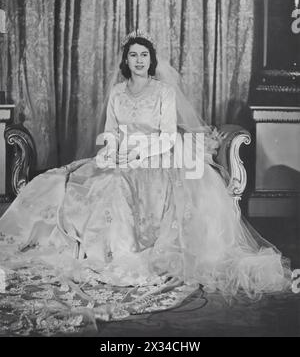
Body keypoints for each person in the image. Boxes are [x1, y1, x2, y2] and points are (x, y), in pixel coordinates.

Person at [0, 31, 291, 318]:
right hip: (123, 155)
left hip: (156, 157)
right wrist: (111, 151)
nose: (138, 60)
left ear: (151, 59)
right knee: (70, 180)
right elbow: (112, 132)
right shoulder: (117, 92)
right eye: (133, 55)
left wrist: (137, 154)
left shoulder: (163, 91)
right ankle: (86, 247)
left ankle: (118, 253)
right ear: (125, 60)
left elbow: (167, 136)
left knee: (116, 184)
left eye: (144, 55)